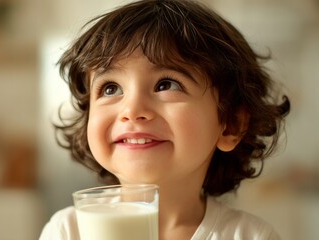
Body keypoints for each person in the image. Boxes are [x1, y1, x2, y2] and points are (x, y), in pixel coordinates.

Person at [39, 0, 290, 239]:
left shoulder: (252, 236)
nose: (132, 109)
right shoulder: (68, 231)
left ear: (230, 125)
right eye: (111, 88)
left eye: (166, 84)